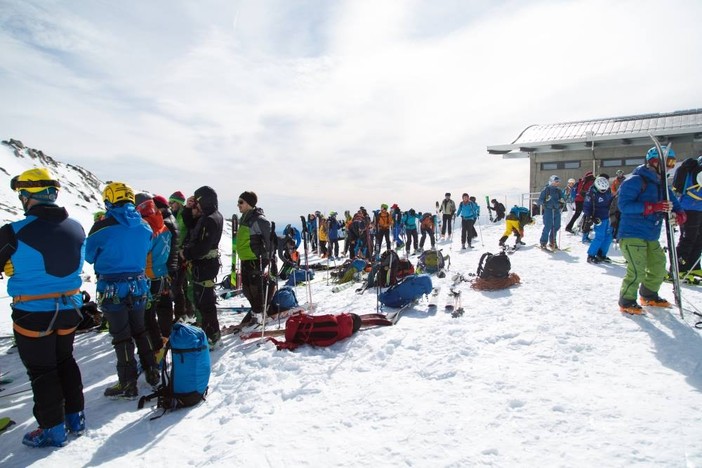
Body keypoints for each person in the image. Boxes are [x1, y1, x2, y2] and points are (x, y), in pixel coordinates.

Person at [1, 168, 85, 447]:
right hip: (70, 307)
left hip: (33, 312)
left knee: (42, 370)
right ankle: (76, 417)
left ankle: (53, 429)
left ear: (27, 196)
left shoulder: (12, 232)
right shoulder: (76, 227)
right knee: (65, 360)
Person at [86, 182, 159, 399]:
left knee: (121, 336)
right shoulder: (145, 227)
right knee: (140, 329)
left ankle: (127, 382)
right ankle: (152, 370)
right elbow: (146, 249)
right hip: (138, 285)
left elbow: (89, 256)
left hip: (111, 286)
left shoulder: (101, 227)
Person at [617, 146, 686, 314]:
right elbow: (624, 206)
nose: (670, 167)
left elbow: (676, 206)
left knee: (659, 266)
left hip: (651, 234)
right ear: (654, 163)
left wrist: (679, 216)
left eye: (672, 163)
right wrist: (652, 207)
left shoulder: (662, 186)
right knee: (637, 269)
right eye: (667, 162)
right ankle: (627, 301)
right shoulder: (634, 181)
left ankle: (648, 295)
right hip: (632, 234)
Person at [181, 186, 224, 348]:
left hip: (204, 264)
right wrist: (188, 209)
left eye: (197, 202)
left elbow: (202, 247)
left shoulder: (209, 219)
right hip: (207, 264)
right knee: (203, 301)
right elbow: (192, 224)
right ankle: (210, 333)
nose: (196, 205)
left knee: (204, 302)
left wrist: (186, 254)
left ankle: (212, 335)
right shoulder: (211, 216)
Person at [134, 194, 173, 360]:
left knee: (146, 317)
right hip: (160, 275)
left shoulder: (145, 228)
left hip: (148, 277)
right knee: (150, 315)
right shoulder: (162, 225)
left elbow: (141, 253)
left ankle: (156, 350)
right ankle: (158, 345)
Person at [236, 191, 276, 327]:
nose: (238, 205)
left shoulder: (258, 219)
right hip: (245, 258)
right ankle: (256, 311)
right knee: (246, 289)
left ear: (249, 204)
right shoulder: (245, 218)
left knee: (255, 288)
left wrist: (270, 257)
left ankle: (259, 315)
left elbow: (269, 239)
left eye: (241, 202)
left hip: (255, 258)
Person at [152, 194, 179, 337]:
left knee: (163, 303)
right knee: (165, 302)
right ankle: (165, 331)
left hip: (164, 267)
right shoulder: (171, 219)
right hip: (170, 266)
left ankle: (164, 333)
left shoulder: (165, 222)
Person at [169, 191, 194, 321]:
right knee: (180, 284)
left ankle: (185, 313)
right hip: (174, 252)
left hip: (182, 254)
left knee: (180, 285)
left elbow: (189, 231)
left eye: (172, 202)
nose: (170, 205)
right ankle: (186, 311)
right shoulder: (172, 215)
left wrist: (185, 248)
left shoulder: (184, 214)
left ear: (178, 203)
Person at [674, 160, 702, 275]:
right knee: (688, 239)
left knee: (698, 239)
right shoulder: (699, 171)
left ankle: (693, 267)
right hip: (690, 208)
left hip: (697, 208)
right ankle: (678, 269)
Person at [583, 177, 614, 264]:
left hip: (608, 216)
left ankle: (601, 254)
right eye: (601, 189)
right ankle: (591, 255)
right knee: (600, 236)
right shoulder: (591, 194)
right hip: (599, 218)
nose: (603, 191)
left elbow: (611, 201)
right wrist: (591, 217)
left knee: (608, 237)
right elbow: (586, 207)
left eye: (604, 189)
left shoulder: (608, 191)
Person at [538, 175, 565, 250]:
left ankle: (552, 242)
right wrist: (545, 200)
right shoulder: (546, 190)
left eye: (558, 182)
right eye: (556, 182)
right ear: (551, 181)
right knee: (548, 226)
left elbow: (562, 198)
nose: (557, 183)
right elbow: (539, 201)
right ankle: (543, 242)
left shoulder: (558, 190)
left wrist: (562, 202)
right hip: (548, 210)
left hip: (556, 210)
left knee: (556, 226)